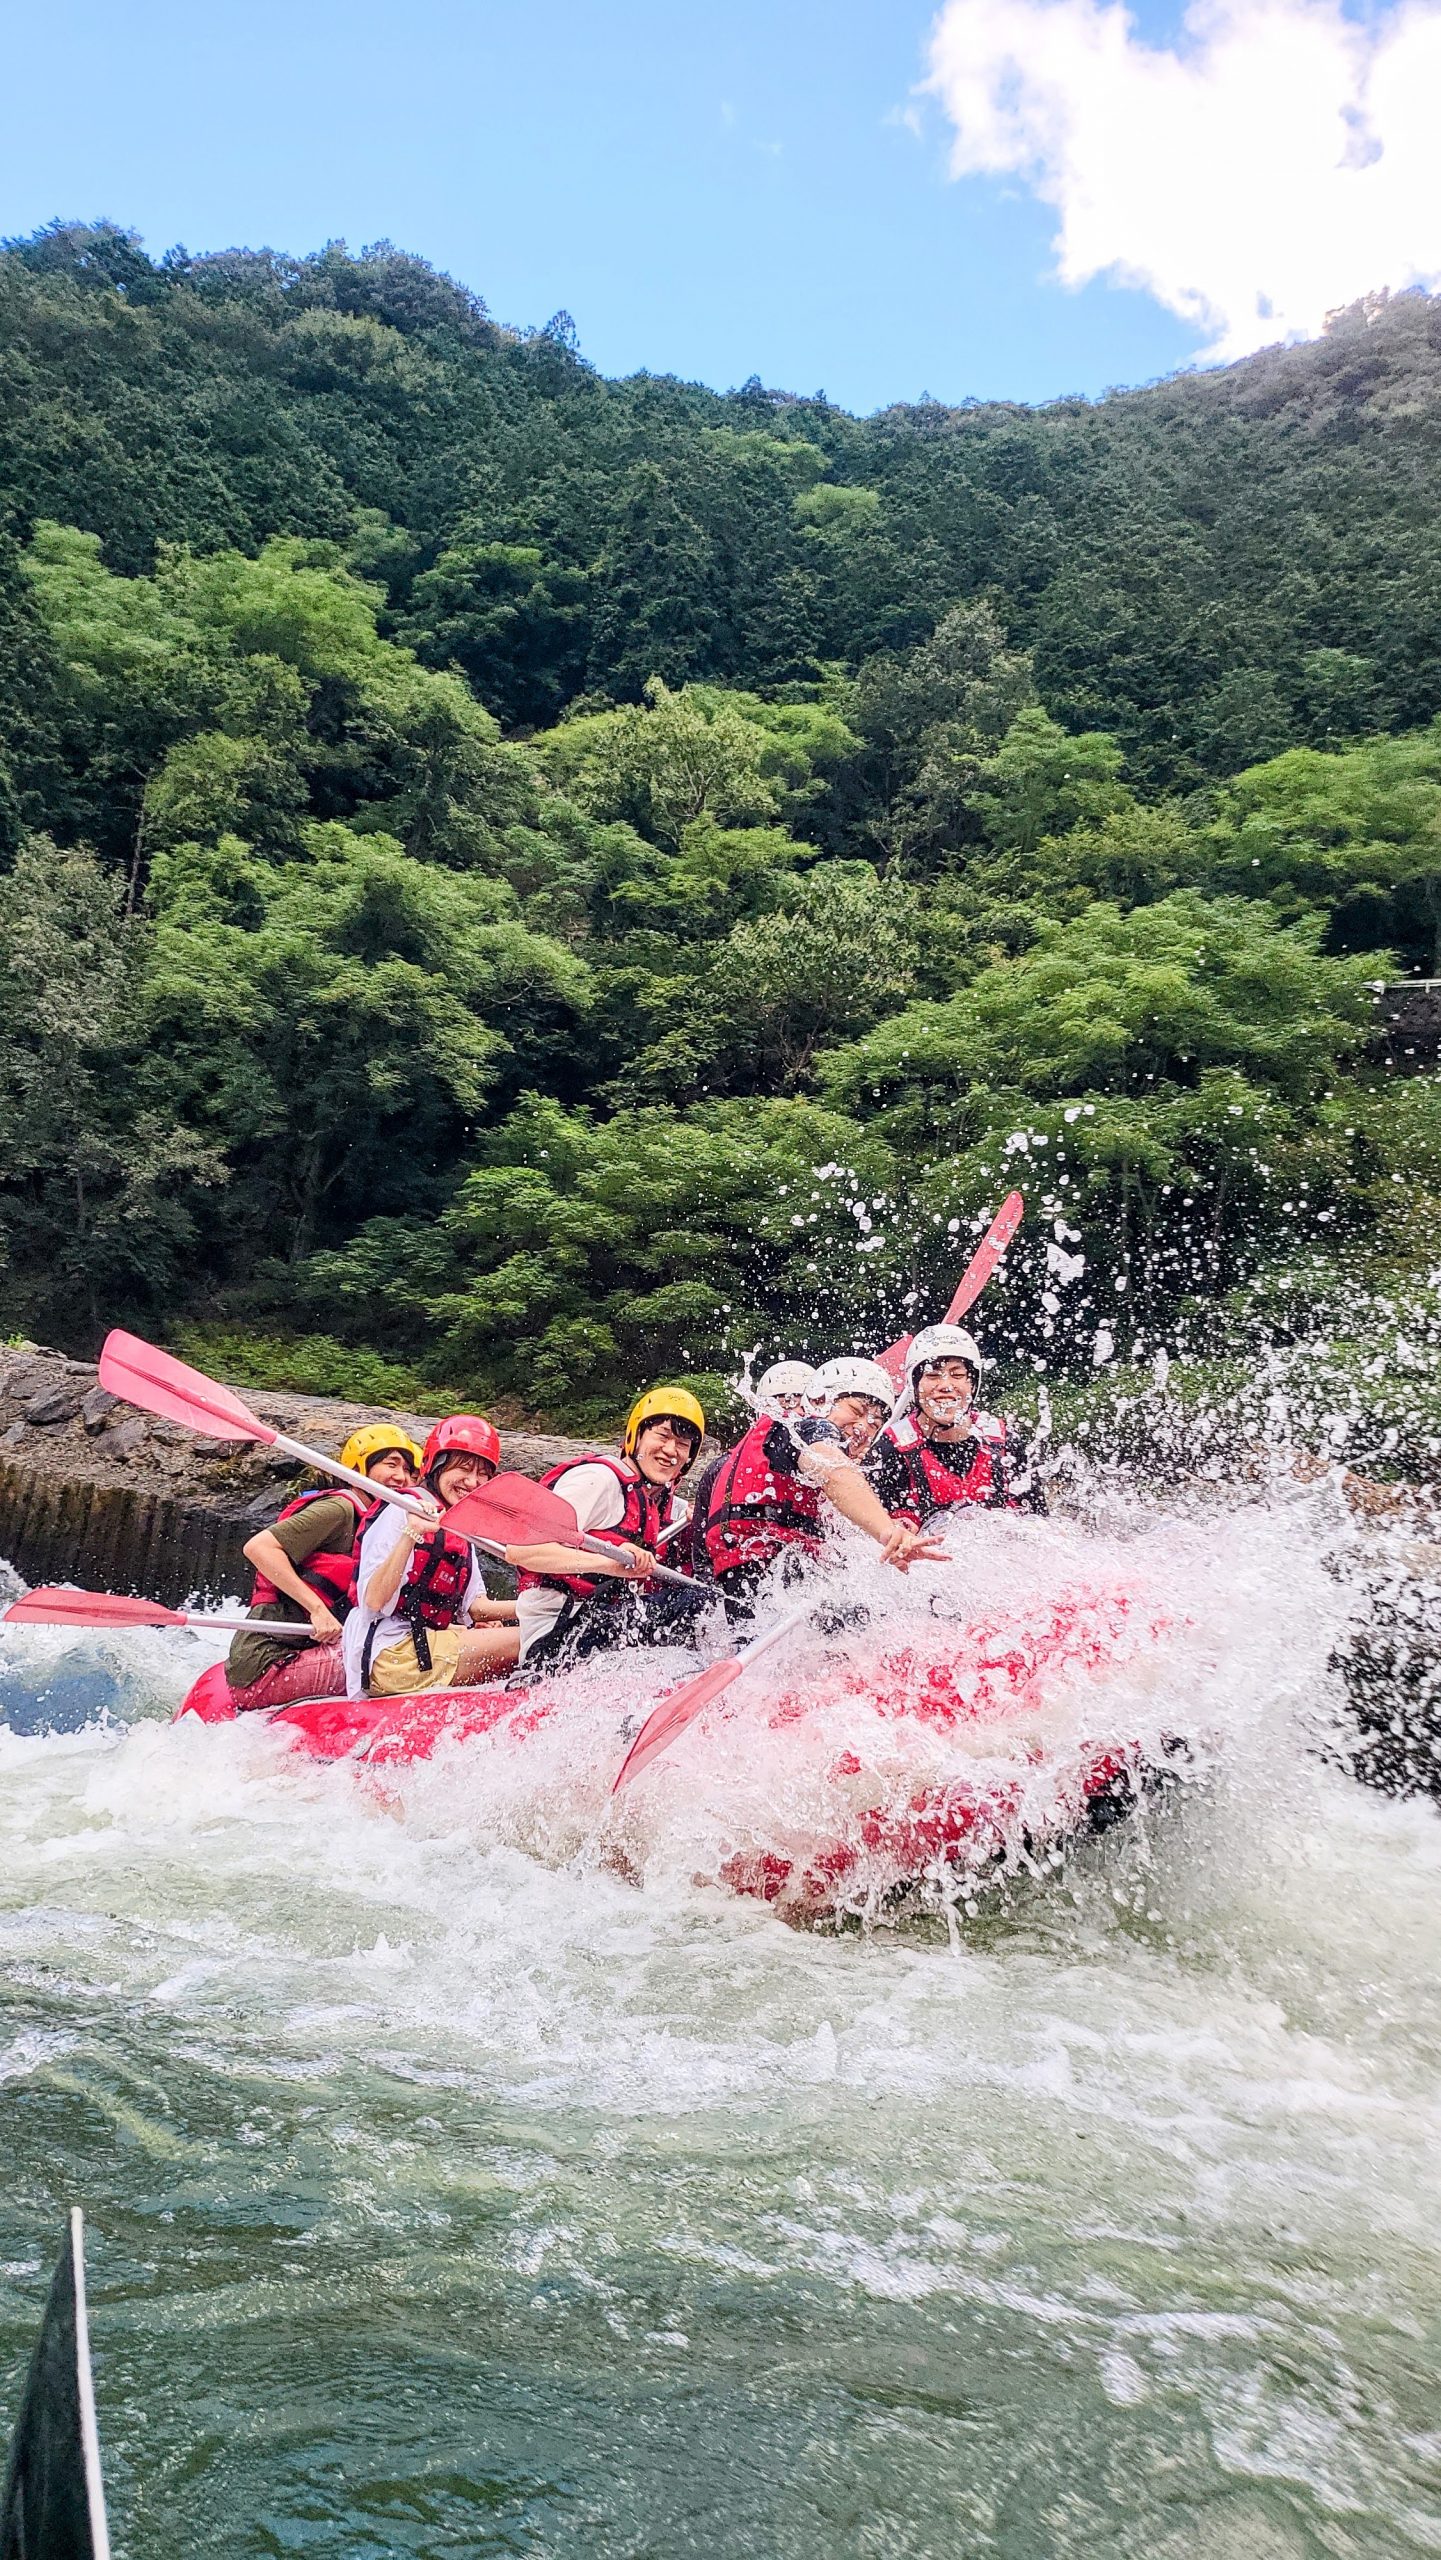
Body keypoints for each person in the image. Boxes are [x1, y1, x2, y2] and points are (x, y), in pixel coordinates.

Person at [688, 1358, 946, 1606]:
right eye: (856, 1411)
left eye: (874, 1423)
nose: (863, 1428)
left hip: (763, 1585)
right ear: (819, 1400)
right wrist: (887, 1531)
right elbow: (832, 1469)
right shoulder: (802, 1427)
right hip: (769, 1577)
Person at [224, 1423, 424, 1713]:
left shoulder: (380, 1525)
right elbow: (259, 1548)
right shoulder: (339, 1510)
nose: (401, 1477)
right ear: (358, 1468)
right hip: (266, 1664)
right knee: (391, 1659)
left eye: (407, 1470)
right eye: (391, 1464)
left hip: (304, 1650)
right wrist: (317, 1609)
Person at [514, 1388, 713, 1672]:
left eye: (683, 1444)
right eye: (663, 1436)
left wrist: (704, 1521)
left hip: (597, 1624)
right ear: (636, 1436)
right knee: (697, 1603)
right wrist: (609, 1563)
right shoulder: (599, 1479)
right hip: (553, 1643)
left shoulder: (662, 1504)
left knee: (715, 1597)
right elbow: (521, 1549)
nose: (671, 1450)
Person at [344, 1415, 521, 1697]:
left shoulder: (458, 1523)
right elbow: (374, 1600)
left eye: (483, 1473)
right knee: (532, 1639)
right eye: (463, 1468)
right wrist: (409, 1535)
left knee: (542, 1627)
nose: (473, 1481)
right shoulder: (401, 1509)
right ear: (436, 1467)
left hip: (425, 1644)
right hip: (392, 1654)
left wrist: (537, 1607)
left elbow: (475, 1607)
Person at [868, 1325, 1046, 1525]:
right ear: (915, 1386)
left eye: (957, 1375)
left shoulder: (1006, 1444)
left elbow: (1038, 1524)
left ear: (973, 1384)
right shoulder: (890, 1449)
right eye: (932, 1375)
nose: (945, 1386)